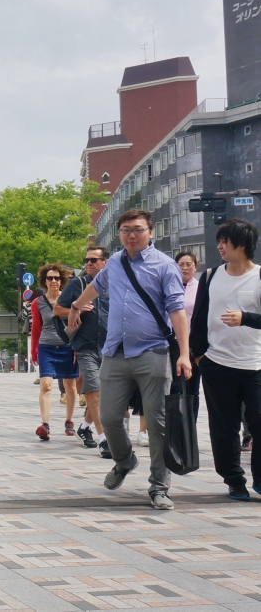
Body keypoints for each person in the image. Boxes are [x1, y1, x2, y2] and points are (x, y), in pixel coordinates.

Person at [67, 208, 191, 511]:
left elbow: (177, 311)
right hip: (115, 353)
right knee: (108, 418)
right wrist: (75, 307)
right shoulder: (115, 265)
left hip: (153, 352)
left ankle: (159, 487)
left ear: (150, 232)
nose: (131, 235)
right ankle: (124, 461)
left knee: (158, 424)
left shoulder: (164, 266)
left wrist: (184, 354)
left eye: (137, 229)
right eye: (125, 230)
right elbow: (95, 288)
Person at [189, 219, 261, 502]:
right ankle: (234, 480)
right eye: (219, 241)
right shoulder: (210, 277)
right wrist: (198, 356)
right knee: (224, 427)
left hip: (256, 364)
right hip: (217, 364)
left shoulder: (258, 277)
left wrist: (246, 318)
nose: (219, 246)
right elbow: (198, 319)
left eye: (224, 241)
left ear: (241, 245)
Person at [54, 246, 111, 456]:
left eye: (93, 260)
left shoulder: (116, 284)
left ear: (105, 262)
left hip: (110, 347)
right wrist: (75, 309)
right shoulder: (77, 284)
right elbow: (57, 309)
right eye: (86, 260)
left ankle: (85, 427)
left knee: (106, 396)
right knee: (93, 392)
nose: (88, 264)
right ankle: (104, 440)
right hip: (85, 346)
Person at [31, 264, 77, 440]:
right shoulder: (38, 302)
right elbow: (36, 327)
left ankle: (69, 421)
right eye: (50, 278)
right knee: (46, 385)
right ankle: (45, 424)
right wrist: (34, 350)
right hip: (46, 347)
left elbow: (76, 324)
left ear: (62, 281)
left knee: (70, 386)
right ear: (45, 281)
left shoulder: (69, 300)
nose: (53, 281)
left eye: (57, 278)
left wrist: (77, 348)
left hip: (67, 346)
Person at [172, 251, 202, 410]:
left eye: (188, 264)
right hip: (171, 343)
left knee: (192, 389)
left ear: (195, 267)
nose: (184, 268)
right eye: (180, 264)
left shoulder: (200, 287)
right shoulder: (169, 286)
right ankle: (175, 429)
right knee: (174, 388)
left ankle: (191, 428)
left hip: (192, 344)